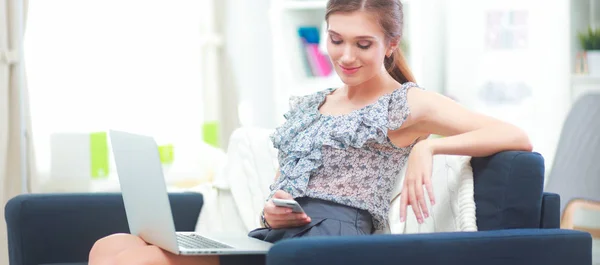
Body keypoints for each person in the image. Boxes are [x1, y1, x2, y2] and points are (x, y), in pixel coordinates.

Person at [88, 0, 532, 264]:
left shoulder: (407, 103)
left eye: (363, 44)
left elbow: (515, 136)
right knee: (112, 246)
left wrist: (429, 150)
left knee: (137, 259)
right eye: (336, 39)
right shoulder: (310, 105)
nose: (346, 56)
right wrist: (273, 212)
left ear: (391, 45)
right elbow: (285, 186)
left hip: (333, 245)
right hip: (277, 237)